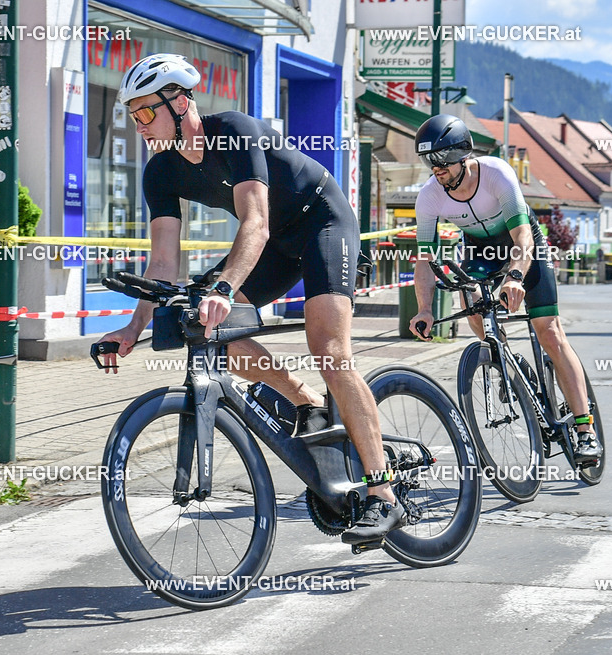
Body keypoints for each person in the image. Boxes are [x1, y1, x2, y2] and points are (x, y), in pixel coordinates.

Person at [95, 54, 404, 540]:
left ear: (180, 103)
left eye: (146, 112)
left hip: (320, 223)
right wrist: (133, 328)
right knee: (202, 323)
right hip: (272, 244)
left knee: (330, 350)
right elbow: (162, 262)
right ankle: (306, 402)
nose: (139, 125)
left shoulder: (235, 131)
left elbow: (254, 222)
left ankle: (383, 492)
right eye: (132, 115)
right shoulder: (160, 171)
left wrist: (224, 287)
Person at [407, 114, 600, 463]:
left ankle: (585, 430)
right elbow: (424, 260)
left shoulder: (496, 174)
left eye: (442, 162)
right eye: (429, 162)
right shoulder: (429, 197)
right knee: (475, 306)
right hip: (480, 250)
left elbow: (522, 236)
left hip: (521, 244)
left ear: (464, 156)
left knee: (550, 332)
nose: (436, 170)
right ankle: (508, 363)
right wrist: (423, 308)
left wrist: (514, 276)